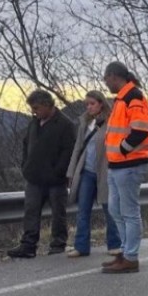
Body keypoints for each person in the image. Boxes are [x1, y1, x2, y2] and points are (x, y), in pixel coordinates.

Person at [7, 89, 76, 258]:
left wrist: (58, 172)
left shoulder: (65, 124)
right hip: (34, 178)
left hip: (55, 180)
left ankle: (58, 244)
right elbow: (26, 144)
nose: (34, 111)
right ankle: (28, 245)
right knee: (31, 211)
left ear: (47, 105)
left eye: (37, 108)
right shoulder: (34, 123)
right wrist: (26, 166)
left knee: (58, 213)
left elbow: (68, 151)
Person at [100, 62, 148, 274]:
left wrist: (123, 149)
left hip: (130, 165)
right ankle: (124, 251)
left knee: (129, 212)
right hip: (116, 165)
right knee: (115, 209)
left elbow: (140, 130)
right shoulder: (122, 98)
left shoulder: (133, 97)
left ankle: (131, 257)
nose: (105, 82)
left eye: (106, 78)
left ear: (114, 76)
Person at [65, 90, 121, 258]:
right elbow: (78, 148)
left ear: (101, 103)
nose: (89, 107)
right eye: (87, 104)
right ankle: (81, 246)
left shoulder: (111, 121)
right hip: (86, 171)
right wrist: (71, 172)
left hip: (105, 171)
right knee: (83, 210)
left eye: (92, 104)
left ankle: (115, 244)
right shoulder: (85, 122)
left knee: (109, 208)